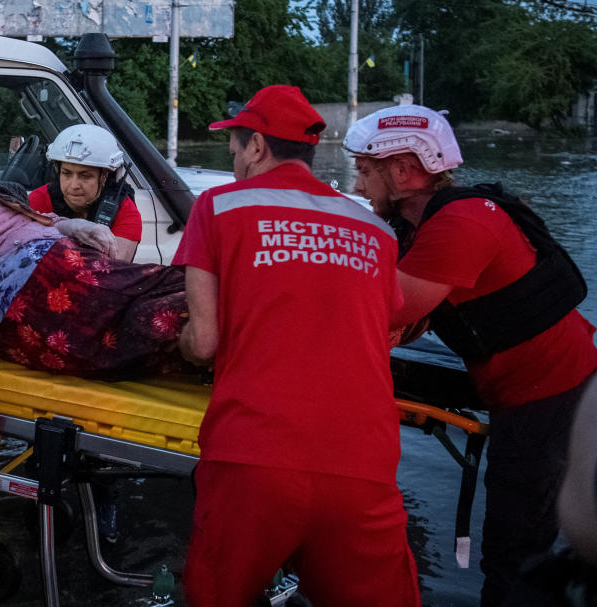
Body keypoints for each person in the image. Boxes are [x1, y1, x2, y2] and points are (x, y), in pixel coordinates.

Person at [174, 85, 420, 607]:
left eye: (235, 150)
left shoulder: (217, 206)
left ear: (258, 146)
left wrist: (179, 344)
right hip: (365, 463)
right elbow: (383, 325)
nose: (234, 161)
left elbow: (205, 340)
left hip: (255, 453)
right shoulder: (375, 230)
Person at [344, 104, 597, 607]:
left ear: (403, 170)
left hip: (548, 397)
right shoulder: (431, 223)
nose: (357, 185)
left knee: (514, 550)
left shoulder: (459, 223)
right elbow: (410, 321)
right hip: (535, 388)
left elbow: (390, 311)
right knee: (518, 541)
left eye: (366, 170)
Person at [0, 141, 188, 377]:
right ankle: (205, 316)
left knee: (136, 288)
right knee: (115, 342)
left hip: (47, 261)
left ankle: (210, 299)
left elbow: (39, 219)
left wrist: (74, 226)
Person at [28, 124, 142, 262]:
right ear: (58, 172)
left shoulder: (125, 212)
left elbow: (112, 272)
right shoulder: (39, 199)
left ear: (104, 176)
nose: (74, 185)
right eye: (66, 173)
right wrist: (64, 228)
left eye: (85, 176)